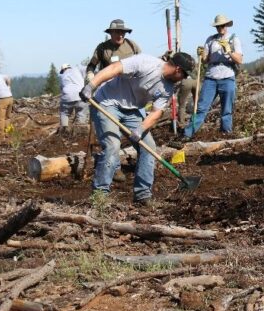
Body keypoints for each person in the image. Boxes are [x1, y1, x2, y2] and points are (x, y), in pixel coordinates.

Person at [79, 51, 195, 205]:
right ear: (178, 70)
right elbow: (114, 68)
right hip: (107, 102)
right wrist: (91, 86)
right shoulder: (146, 62)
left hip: (133, 110)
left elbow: (156, 112)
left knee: (148, 147)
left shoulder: (169, 88)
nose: (184, 79)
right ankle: (100, 196)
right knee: (113, 145)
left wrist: (140, 129)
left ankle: (142, 195)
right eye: (184, 75)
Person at [183, 14, 243, 138]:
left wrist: (229, 51)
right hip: (211, 77)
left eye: (222, 25)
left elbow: (239, 59)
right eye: (218, 26)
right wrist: (201, 54)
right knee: (201, 107)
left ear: (226, 25)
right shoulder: (210, 39)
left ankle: (226, 134)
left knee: (227, 109)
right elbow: (205, 59)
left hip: (227, 77)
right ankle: (188, 134)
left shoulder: (234, 39)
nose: (220, 28)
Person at [58, 64, 88, 132]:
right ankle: (80, 132)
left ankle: (64, 130)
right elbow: (88, 68)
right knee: (81, 113)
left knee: (64, 113)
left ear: (63, 69)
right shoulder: (77, 68)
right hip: (81, 95)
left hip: (67, 96)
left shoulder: (63, 76)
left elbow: (61, 89)